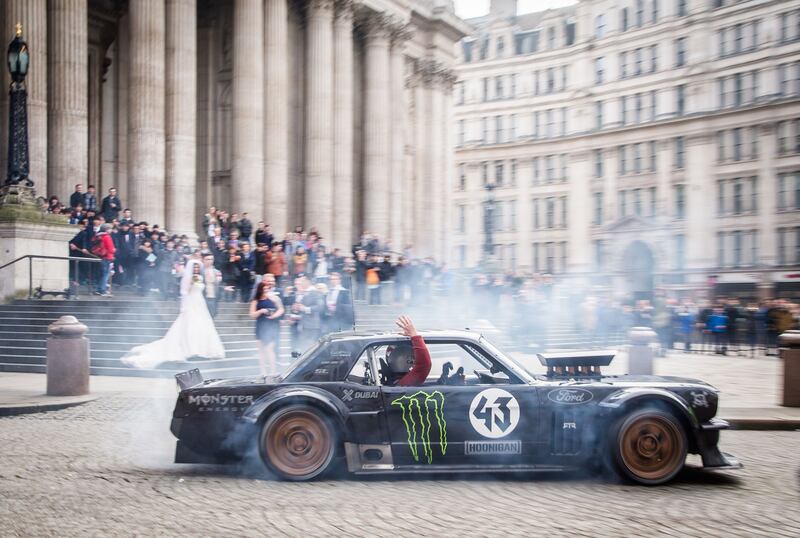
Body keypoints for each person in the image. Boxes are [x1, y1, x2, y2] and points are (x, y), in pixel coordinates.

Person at [122, 260, 225, 368]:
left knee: (202, 325)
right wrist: (191, 284)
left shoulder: (200, 277)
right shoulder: (188, 278)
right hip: (191, 302)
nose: (196, 270)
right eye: (194, 268)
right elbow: (185, 292)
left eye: (197, 268)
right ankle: (191, 349)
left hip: (200, 303)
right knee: (190, 325)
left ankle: (204, 349)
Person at [250, 274, 285, 375]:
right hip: (260, 326)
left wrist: (274, 316)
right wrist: (261, 311)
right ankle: (263, 372)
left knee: (270, 349)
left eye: (267, 288)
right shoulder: (256, 300)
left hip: (272, 326)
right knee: (261, 351)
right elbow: (252, 314)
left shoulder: (274, 298)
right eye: (263, 289)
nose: (265, 290)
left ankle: (273, 371)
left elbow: (281, 309)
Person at [385, 316, 431, 386]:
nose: (415, 360)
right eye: (413, 357)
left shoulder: (395, 382)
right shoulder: (405, 383)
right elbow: (424, 365)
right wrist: (414, 335)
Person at [90, 223, 116, 296]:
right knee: (106, 274)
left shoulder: (98, 235)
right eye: (110, 228)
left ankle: (99, 289)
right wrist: (114, 250)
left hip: (100, 256)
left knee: (102, 274)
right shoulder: (107, 236)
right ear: (106, 229)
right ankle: (102, 290)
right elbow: (111, 249)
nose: (111, 230)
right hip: (107, 257)